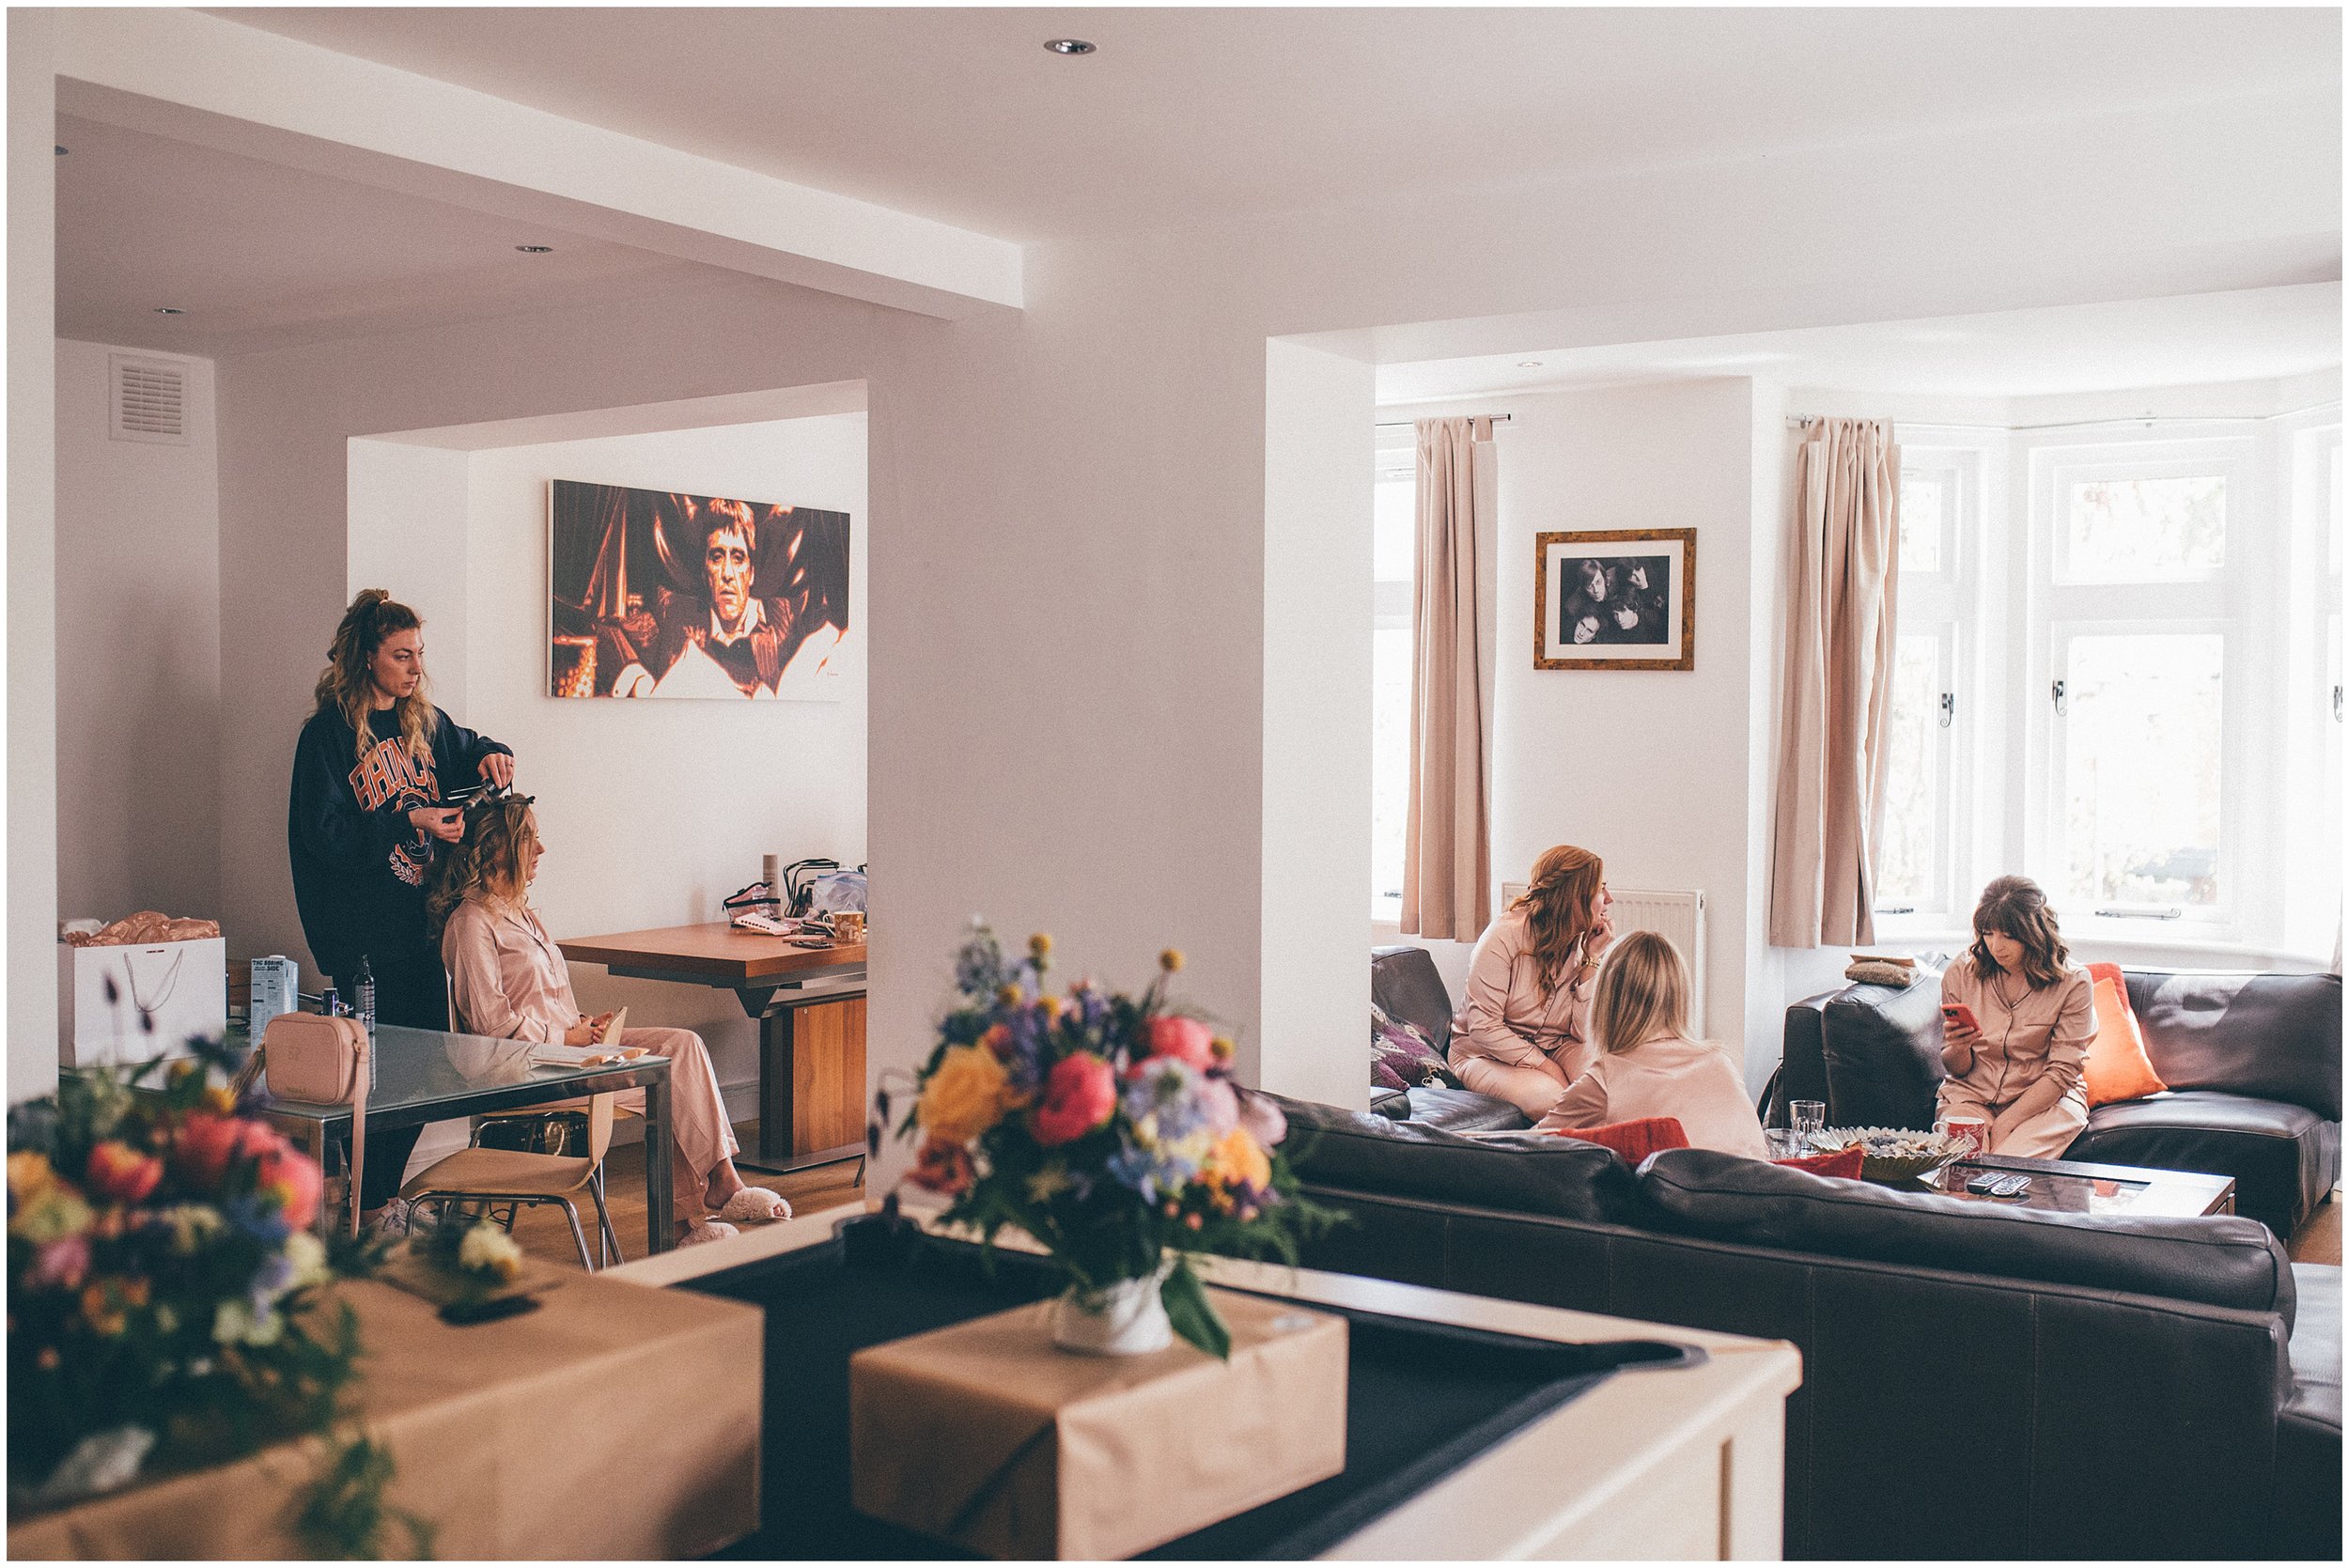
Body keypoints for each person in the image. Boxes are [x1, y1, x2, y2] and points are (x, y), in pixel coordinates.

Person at [429, 794, 791, 1246]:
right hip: (525, 1073)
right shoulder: (470, 923)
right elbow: (490, 1029)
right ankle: (692, 1216)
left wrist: (583, 1025)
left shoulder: (521, 913)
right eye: (529, 840)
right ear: (496, 848)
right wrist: (567, 1034)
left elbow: (541, 1000)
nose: (540, 851)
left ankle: (718, 1185)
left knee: (683, 1045)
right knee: (668, 1079)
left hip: (567, 1053)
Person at [288, 589, 514, 1232]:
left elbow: (472, 745)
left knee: (423, 1078)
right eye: (402, 655)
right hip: (361, 935)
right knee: (372, 1084)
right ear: (366, 659)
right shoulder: (326, 736)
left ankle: (378, 1203)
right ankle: (353, 1207)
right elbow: (324, 834)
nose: (415, 668)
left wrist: (491, 750)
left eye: (419, 654)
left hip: (421, 930)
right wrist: (407, 817)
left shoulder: (424, 721)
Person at [1534, 932, 1768, 1157]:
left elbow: (1520, 1148)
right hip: (1755, 1194)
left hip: (1676, 1197)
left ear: (1609, 1000)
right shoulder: (1720, 1062)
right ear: (1679, 996)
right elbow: (1761, 1154)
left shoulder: (1607, 1077)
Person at [1448, 845, 1617, 1117]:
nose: (1609, 899)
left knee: (1615, 1087)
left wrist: (1591, 961)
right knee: (1550, 1100)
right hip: (1484, 1054)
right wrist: (1546, 1066)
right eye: (1600, 888)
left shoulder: (1585, 942)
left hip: (1556, 1045)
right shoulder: (1503, 937)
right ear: (1573, 896)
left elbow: (1583, 1034)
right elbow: (1483, 1027)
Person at [1937, 876, 2095, 1158]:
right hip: (1970, 1097)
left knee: (2006, 1169)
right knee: (1961, 1172)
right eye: (1988, 933)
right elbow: (1956, 1069)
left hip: (2044, 1103)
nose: (1996, 946)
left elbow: (2062, 1072)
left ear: (2034, 933)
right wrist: (1958, 1047)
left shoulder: (2074, 983)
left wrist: (2007, 1122)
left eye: (2008, 936)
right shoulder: (1960, 973)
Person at [616, 498, 799, 697]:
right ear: (705, 572)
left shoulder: (782, 618)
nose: (727, 573)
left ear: (751, 573)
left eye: (738, 558)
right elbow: (610, 633)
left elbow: (831, 644)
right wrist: (636, 677)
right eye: (717, 557)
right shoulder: (674, 613)